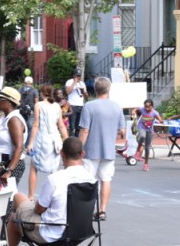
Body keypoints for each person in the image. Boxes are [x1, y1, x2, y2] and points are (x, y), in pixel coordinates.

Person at [7, 137, 95, 246]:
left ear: (61, 153)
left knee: (15, 213)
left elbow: (38, 210)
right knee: (22, 201)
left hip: (52, 236)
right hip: (80, 233)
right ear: (82, 153)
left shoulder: (55, 179)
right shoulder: (92, 179)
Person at [78, 76, 125, 219]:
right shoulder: (117, 107)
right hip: (108, 150)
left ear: (95, 89)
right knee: (106, 179)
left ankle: (87, 209)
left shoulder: (89, 106)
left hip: (91, 149)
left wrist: (79, 148)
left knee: (88, 180)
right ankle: (102, 210)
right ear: (108, 89)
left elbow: (85, 130)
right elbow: (122, 131)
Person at [26, 84, 68, 199]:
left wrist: (30, 143)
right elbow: (61, 125)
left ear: (42, 93)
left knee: (34, 167)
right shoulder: (57, 106)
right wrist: (67, 140)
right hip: (55, 140)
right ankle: (53, 196)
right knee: (54, 169)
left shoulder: (38, 105)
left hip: (42, 139)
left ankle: (31, 196)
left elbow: (36, 125)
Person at [0, 87, 28, 191]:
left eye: (1, 99)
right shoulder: (6, 118)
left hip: (10, 164)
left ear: (9, 102)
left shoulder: (14, 120)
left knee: (6, 199)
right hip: (2, 163)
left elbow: (19, 147)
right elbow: (0, 144)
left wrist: (9, 171)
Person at [133, 98, 163, 171]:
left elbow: (160, 120)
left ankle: (146, 164)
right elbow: (136, 109)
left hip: (149, 130)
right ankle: (137, 152)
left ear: (152, 106)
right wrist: (133, 112)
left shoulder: (155, 113)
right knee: (142, 136)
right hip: (141, 127)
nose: (147, 108)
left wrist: (160, 121)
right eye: (145, 106)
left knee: (147, 148)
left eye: (148, 107)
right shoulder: (142, 109)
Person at [65, 69, 88, 136]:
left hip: (80, 106)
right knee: (72, 126)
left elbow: (86, 97)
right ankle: (71, 140)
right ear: (73, 76)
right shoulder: (69, 82)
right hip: (72, 105)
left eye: (79, 76)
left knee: (79, 126)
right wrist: (74, 82)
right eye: (77, 76)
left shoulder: (82, 83)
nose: (78, 77)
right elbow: (67, 92)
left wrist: (83, 91)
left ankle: (77, 140)